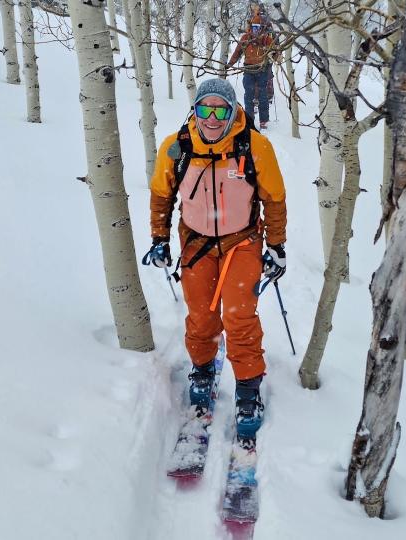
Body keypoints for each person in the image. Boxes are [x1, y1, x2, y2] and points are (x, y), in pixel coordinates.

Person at [142, 79, 287, 446]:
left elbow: (274, 198)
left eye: (219, 109)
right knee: (202, 315)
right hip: (196, 241)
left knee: (239, 316)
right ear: (195, 110)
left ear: (233, 110)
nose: (211, 117)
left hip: (243, 241)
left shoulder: (254, 147)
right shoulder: (177, 148)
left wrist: (277, 246)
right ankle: (203, 371)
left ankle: (248, 390)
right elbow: (161, 195)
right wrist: (159, 239)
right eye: (204, 108)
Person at [227, 8, 275, 130]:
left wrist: (275, 55)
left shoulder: (266, 39)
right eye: (254, 27)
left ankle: (263, 120)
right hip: (248, 69)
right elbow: (237, 52)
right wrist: (230, 64)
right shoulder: (245, 38)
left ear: (262, 27)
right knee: (249, 95)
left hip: (262, 70)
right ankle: (249, 120)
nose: (256, 30)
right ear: (250, 27)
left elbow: (275, 52)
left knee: (262, 95)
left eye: (258, 27)